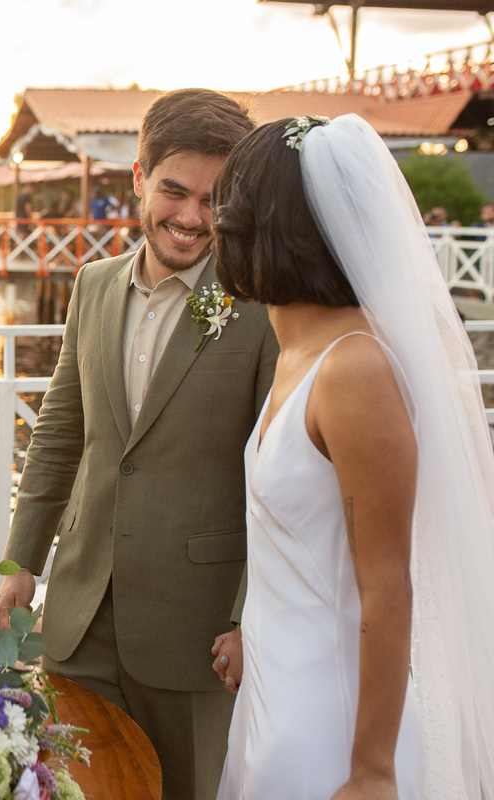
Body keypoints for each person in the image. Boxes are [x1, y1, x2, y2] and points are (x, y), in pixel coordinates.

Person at [0, 88, 277, 800]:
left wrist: (250, 616)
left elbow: (277, 479)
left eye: (212, 201)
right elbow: (60, 435)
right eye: (174, 191)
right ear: (138, 180)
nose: (190, 218)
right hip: (79, 615)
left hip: (198, 630)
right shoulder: (93, 284)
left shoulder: (262, 307)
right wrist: (20, 559)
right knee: (68, 787)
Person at [212, 113, 494, 799]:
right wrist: (250, 629)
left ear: (269, 226)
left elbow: (388, 583)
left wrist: (371, 772)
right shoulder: (299, 347)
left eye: (229, 206)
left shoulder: (355, 368)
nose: (216, 222)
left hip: (329, 729)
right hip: (270, 698)